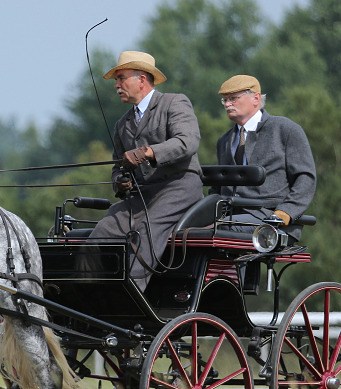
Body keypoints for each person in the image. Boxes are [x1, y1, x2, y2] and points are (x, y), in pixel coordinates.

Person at [90, 51, 204, 291]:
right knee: (99, 235)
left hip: (179, 187)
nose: (117, 86)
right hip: (142, 195)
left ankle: (131, 296)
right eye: (115, 81)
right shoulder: (123, 124)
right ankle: (94, 294)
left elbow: (187, 141)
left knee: (145, 233)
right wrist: (119, 182)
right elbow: (117, 166)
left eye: (121, 78)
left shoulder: (174, 102)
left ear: (142, 79)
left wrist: (147, 152)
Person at [213, 75, 316, 241]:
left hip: (271, 218)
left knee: (220, 230)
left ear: (256, 98)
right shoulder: (224, 141)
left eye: (233, 98)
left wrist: (287, 211)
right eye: (224, 100)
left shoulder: (285, 130)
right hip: (230, 217)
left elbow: (306, 178)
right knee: (184, 230)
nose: (227, 104)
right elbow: (217, 187)